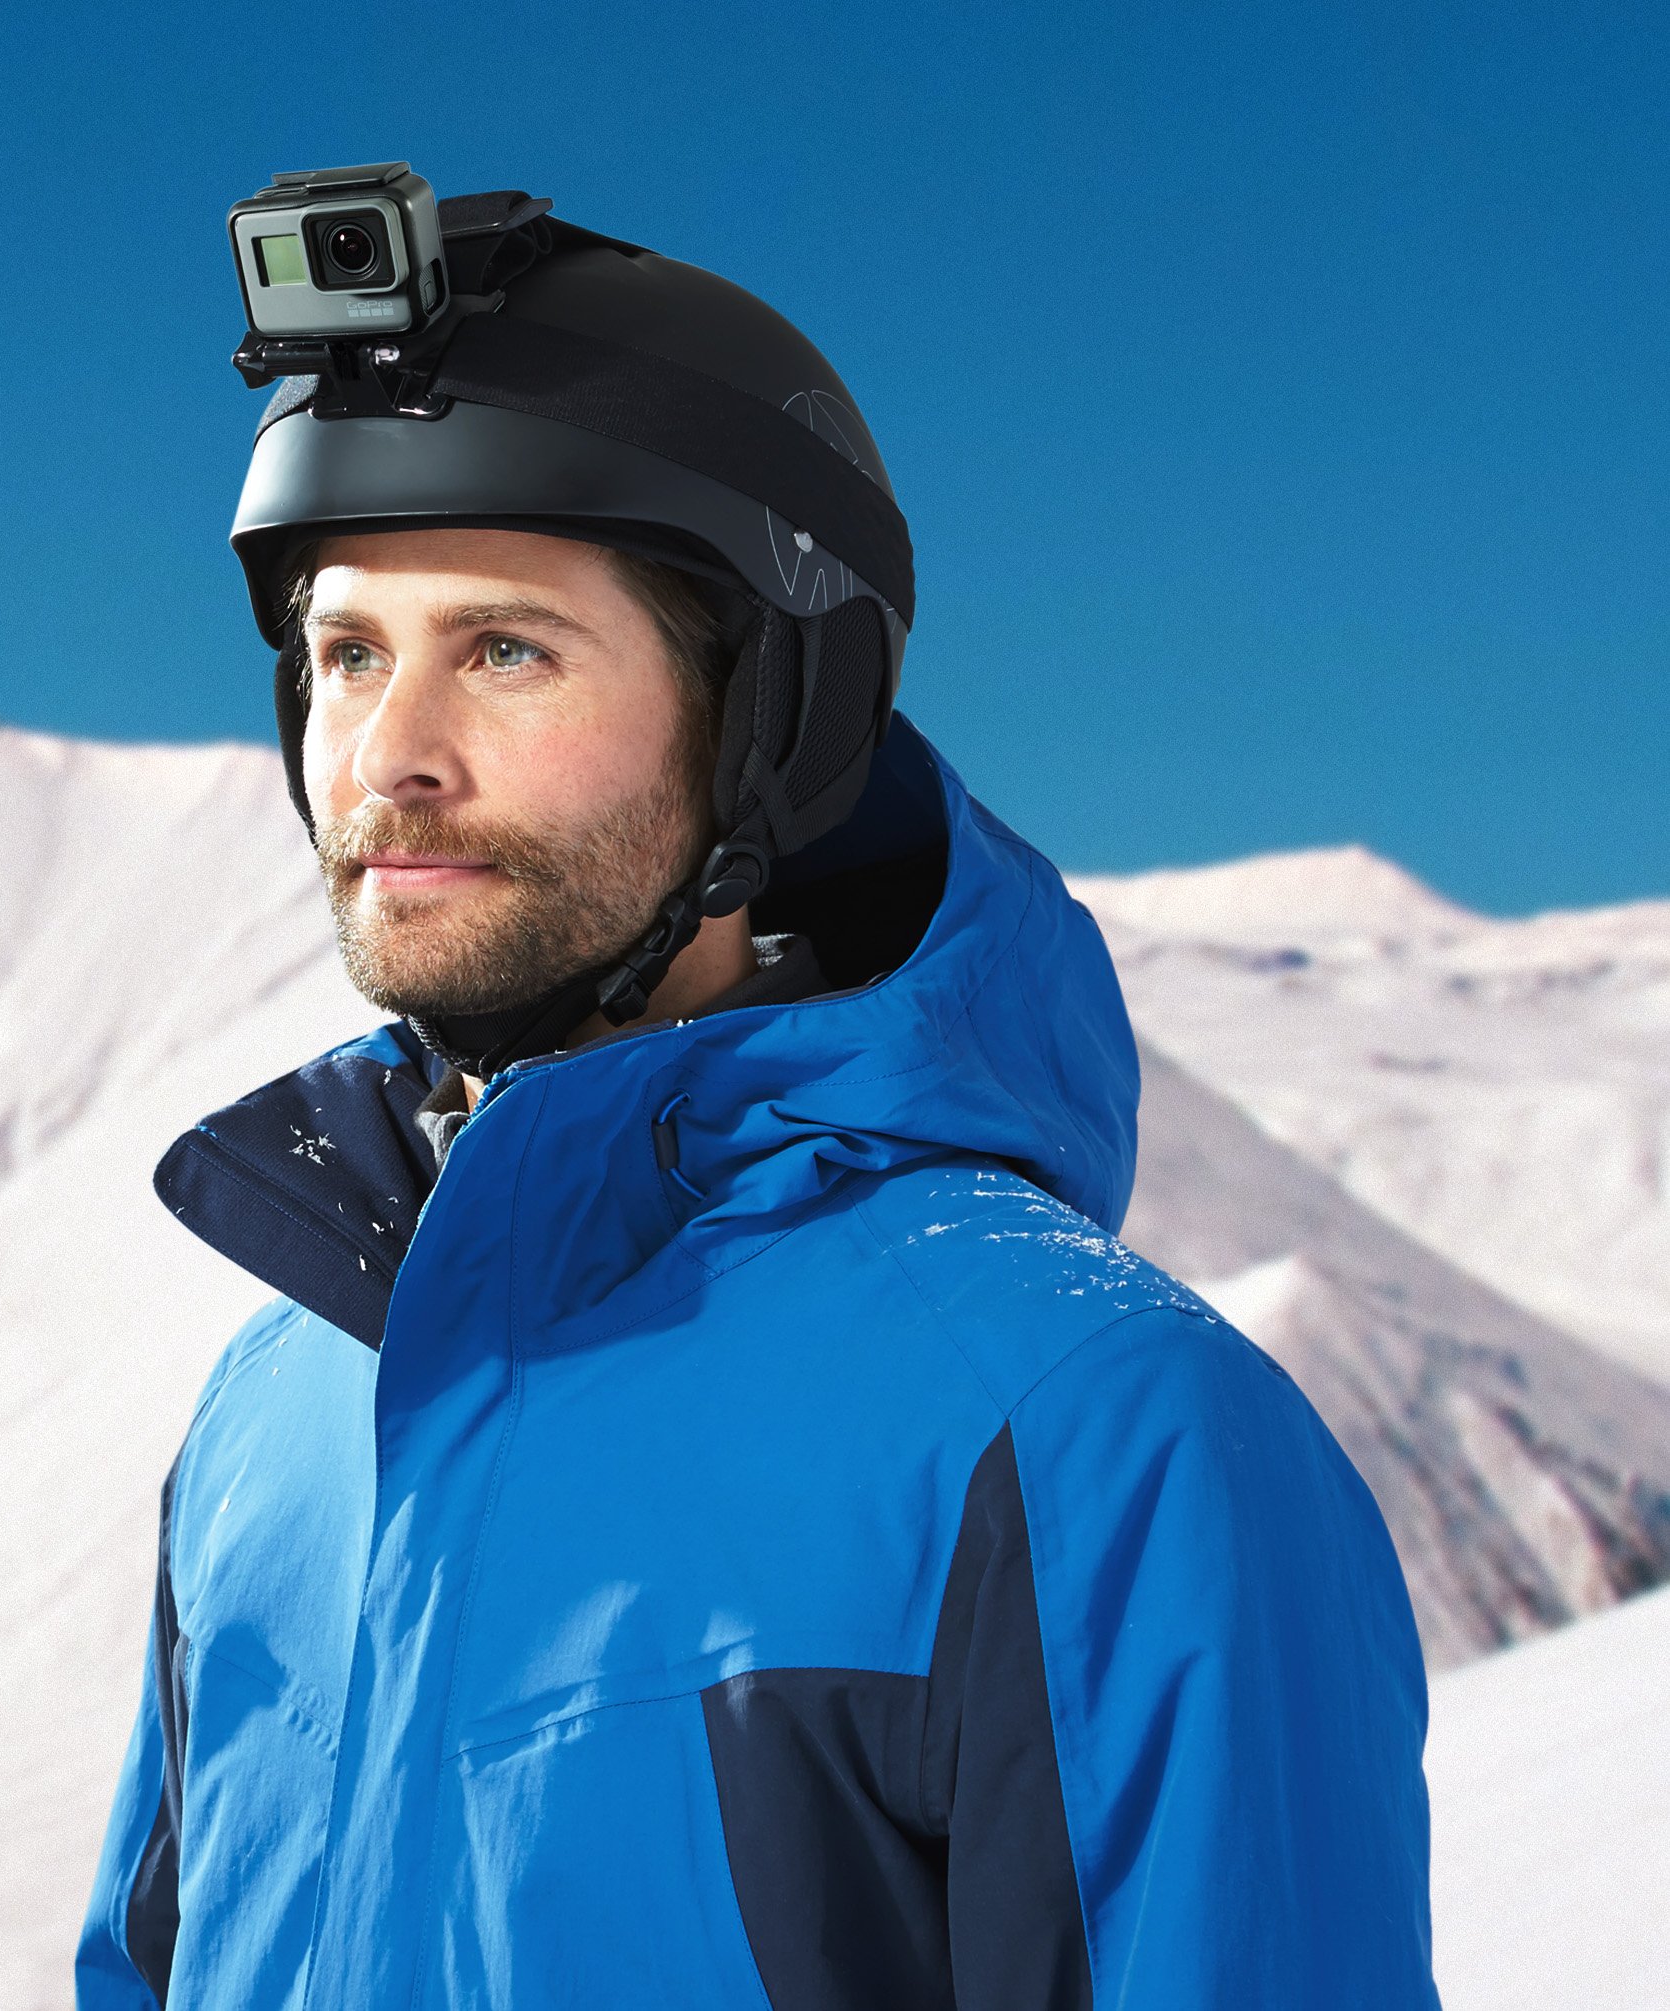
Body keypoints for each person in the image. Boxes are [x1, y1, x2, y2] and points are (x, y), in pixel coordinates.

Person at [76, 189, 1439, 2009]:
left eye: (505, 650)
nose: (390, 756)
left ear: (773, 723)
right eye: (347, 654)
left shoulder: (1093, 1435)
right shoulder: (285, 1405)